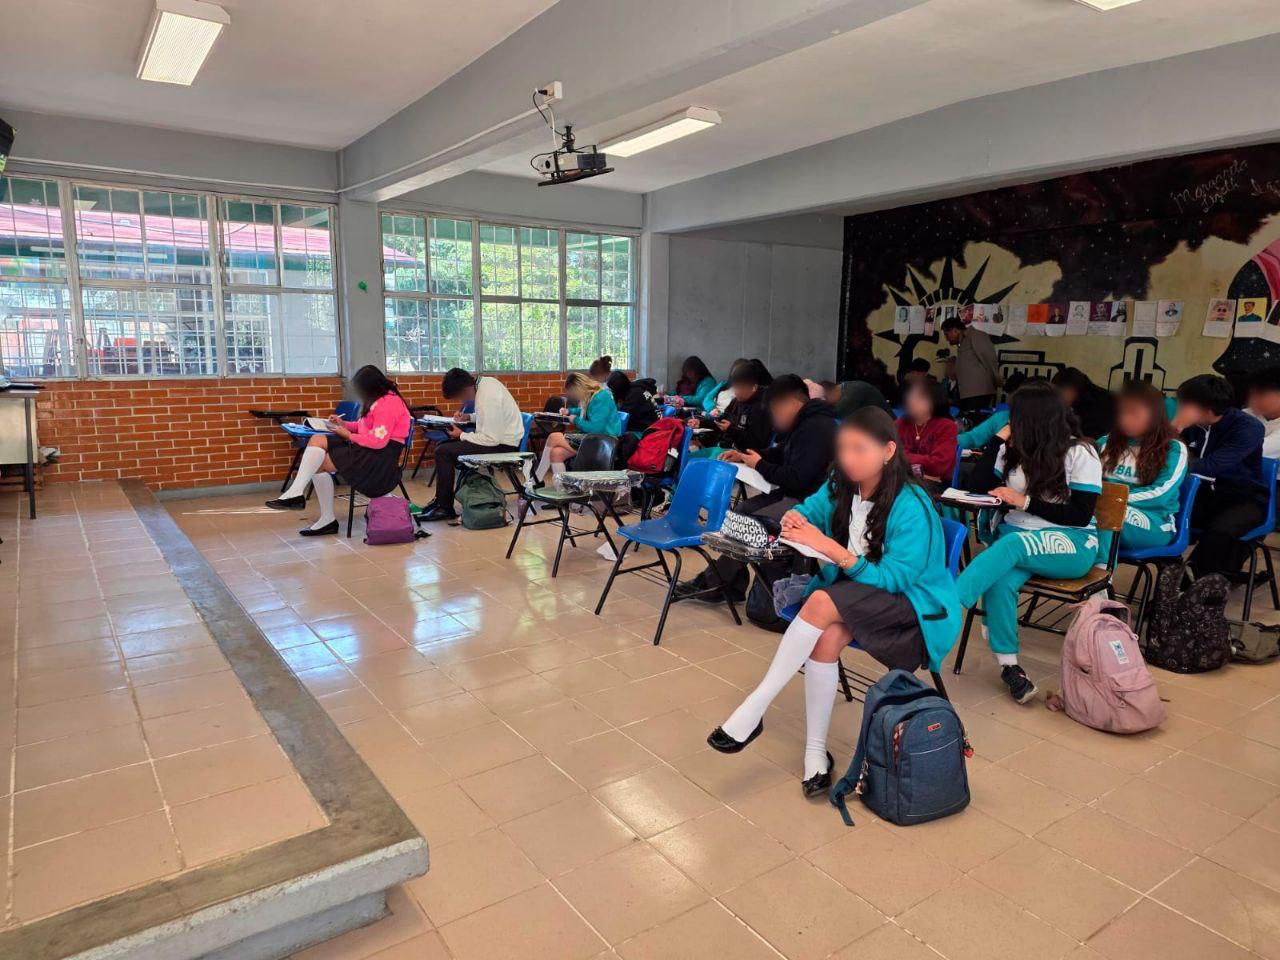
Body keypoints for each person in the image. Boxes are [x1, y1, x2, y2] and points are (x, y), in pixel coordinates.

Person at [706, 407, 961, 796]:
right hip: (861, 591)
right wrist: (795, 518)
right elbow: (809, 508)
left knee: (822, 602)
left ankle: (755, 707)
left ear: (888, 451)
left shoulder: (912, 504)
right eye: (843, 449)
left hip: (914, 607)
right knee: (825, 639)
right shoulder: (844, 483)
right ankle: (816, 753)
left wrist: (830, 548)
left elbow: (894, 579)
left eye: (860, 449)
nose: (849, 459)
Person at [955, 382, 1103, 704]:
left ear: (1036, 418)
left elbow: (1080, 515)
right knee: (1000, 580)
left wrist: (1025, 502)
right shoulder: (1013, 449)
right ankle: (1010, 668)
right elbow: (978, 486)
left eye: (1016, 415)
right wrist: (997, 440)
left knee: (1008, 549)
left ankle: (948, 605)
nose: (1010, 421)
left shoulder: (1080, 453)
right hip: (1017, 538)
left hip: (1071, 540)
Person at [674, 374, 838, 602]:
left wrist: (759, 464)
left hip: (809, 504)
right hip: (793, 496)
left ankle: (717, 583)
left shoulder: (818, 428)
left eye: (775, 410)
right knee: (741, 511)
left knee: (750, 523)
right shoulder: (804, 423)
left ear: (791, 404)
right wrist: (744, 456)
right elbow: (780, 453)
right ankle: (729, 584)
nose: (774, 418)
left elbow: (797, 479)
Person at [266, 365, 411, 536]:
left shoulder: (388, 403)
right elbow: (364, 427)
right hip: (368, 448)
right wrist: (343, 424)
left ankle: (318, 512)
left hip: (380, 458)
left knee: (319, 461)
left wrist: (348, 435)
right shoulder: (378, 399)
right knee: (317, 440)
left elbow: (378, 441)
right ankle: (299, 495)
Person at [1173, 374, 1267, 581]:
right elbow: (1158, 458)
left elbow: (1211, 466)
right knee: (1164, 518)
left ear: (1204, 409)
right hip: (1200, 495)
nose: (1178, 408)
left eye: (1183, 404)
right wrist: (1173, 432)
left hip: (1242, 498)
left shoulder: (1248, 428)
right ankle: (1174, 578)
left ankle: (1192, 584)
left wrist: (1176, 446)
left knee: (1219, 531)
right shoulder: (1189, 425)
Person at [419, 368, 525, 522]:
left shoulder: (487, 397)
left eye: (459, 397)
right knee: (442, 446)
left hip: (504, 446)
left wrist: (461, 435)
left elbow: (491, 439)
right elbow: (491, 417)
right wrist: (469, 417)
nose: (461, 401)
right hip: (498, 440)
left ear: (465, 390)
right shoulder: (485, 383)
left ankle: (445, 507)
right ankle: (441, 501)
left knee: (444, 452)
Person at [1096, 381, 1188, 552]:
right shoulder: (1104, 443)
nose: (1125, 419)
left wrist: (1113, 499)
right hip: (1103, 509)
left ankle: (1102, 567)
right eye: (1121, 413)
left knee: (1108, 511)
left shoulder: (1173, 449)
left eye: (1133, 413)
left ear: (1154, 414)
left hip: (1156, 523)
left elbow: (1161, 494)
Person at [533, 371, 622, 484]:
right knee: (556, 453)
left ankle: (536, 480)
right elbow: (585, 411)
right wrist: (569, 411)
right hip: (594, 438)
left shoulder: (601, 397)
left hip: (604, 442)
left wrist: (575, 420)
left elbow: (595, 428)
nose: (573, 396)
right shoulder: (592, 396)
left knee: (554, 437)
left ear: (578, 388)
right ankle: (564, 488)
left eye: (573, 392)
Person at [688, 360, 771, 459]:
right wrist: (702, 423)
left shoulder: (761, 408)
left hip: (743, 456)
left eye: (740, 388)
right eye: (735, 388)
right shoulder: (737, 401)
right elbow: (722, 420)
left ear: (753, 387)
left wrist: (731, 429)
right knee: (688, 458)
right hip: (726, 448)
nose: (736, 392)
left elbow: (756, 443)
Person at [895, 378, 959, 493]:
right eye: (910, 396)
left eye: (919, 397)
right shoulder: (900, 423)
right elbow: (887, 456)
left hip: (936, 486)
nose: (910, 401)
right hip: (903, 478)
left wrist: (903, 457)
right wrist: (922, 470)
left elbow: (938, 465)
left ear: (933, 400)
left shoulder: (947, 426)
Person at [942, 317, 1001, 411]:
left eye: (947, 334)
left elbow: (989, 359)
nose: (946, 339)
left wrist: (996, 380)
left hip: (978, 392)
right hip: (967, 393)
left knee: (976, 419)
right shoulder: (963, 342)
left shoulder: (976, 336)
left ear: (955, 330)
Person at [1052, 367, 1114, 440]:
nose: (1058, 399)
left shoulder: (1099, 405)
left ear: (1071, 390)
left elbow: (1089, 438)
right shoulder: (1083, 398)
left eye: (1060, 394)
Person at [1245, 367, 1280, 459]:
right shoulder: (1246, 414)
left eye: (1261, 394)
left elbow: (1253, 450)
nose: (1252, 400)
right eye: (1252, 394)